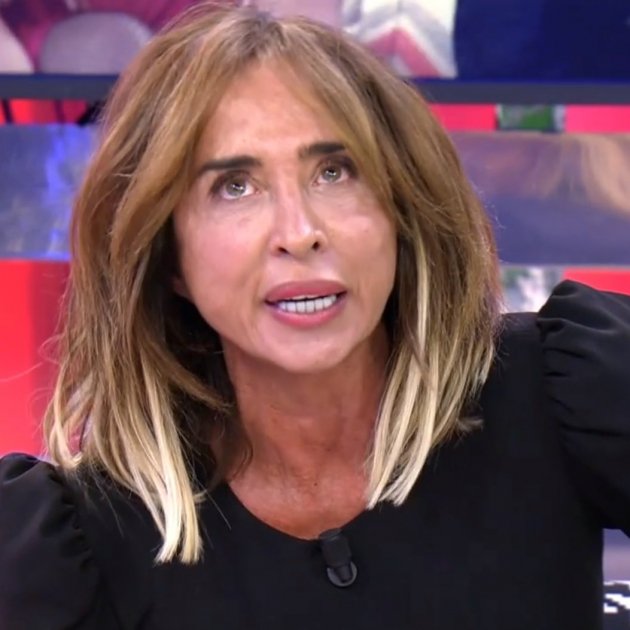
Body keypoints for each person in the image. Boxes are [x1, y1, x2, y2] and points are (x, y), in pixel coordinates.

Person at [0, 5, 629, 629]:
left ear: (402, 211)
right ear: (168, 257)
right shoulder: (80, 543)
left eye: (335, 171)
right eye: (234, 186)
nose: (299, 233)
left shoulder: (563, 390)